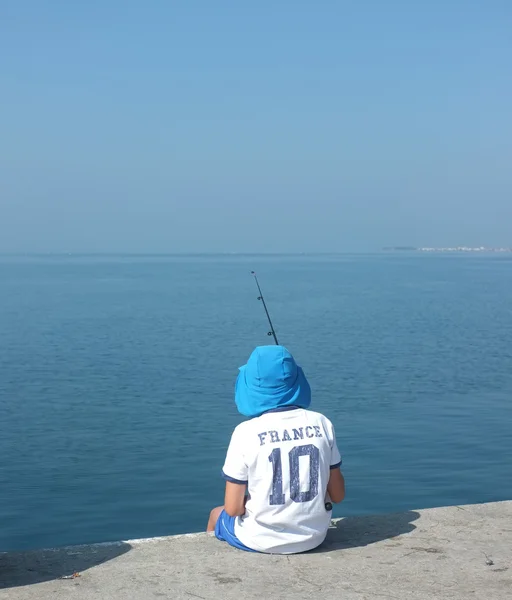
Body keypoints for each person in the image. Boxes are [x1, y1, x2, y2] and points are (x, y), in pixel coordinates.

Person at [207, 345, 345, 554]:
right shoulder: (322, 422)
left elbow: (233, 508)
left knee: (216, 514)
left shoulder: (245, 432)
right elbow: (338, 494)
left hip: (259, 540)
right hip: (314, 537)